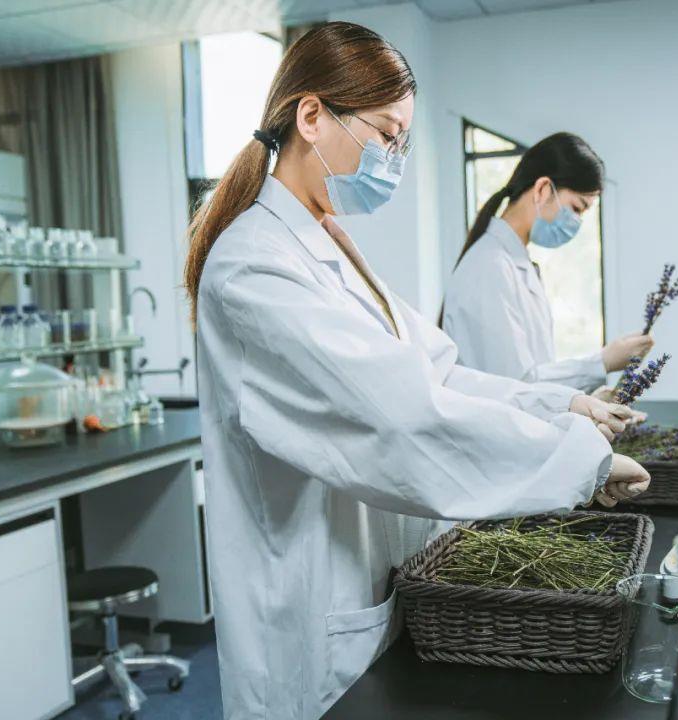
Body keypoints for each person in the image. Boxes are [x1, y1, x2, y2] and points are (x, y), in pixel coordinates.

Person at [185, 22, 651, 720]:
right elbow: (398, 416)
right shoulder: (253, 266)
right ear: (311, 116)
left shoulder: (329, 246)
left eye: (402, 143)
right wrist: (579, 459)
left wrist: (560, 409)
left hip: (368, 586)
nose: (394, 160)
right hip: (305, 606)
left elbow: (439, 371)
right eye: (387, 134)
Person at [441, 133, 654, 393]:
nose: (576, 223)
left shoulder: (515, 265)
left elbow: (530, 379)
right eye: (576, 208)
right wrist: (602, 363)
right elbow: (516, 387)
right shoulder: (489, 267)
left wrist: (586, 401)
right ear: (542, 189)